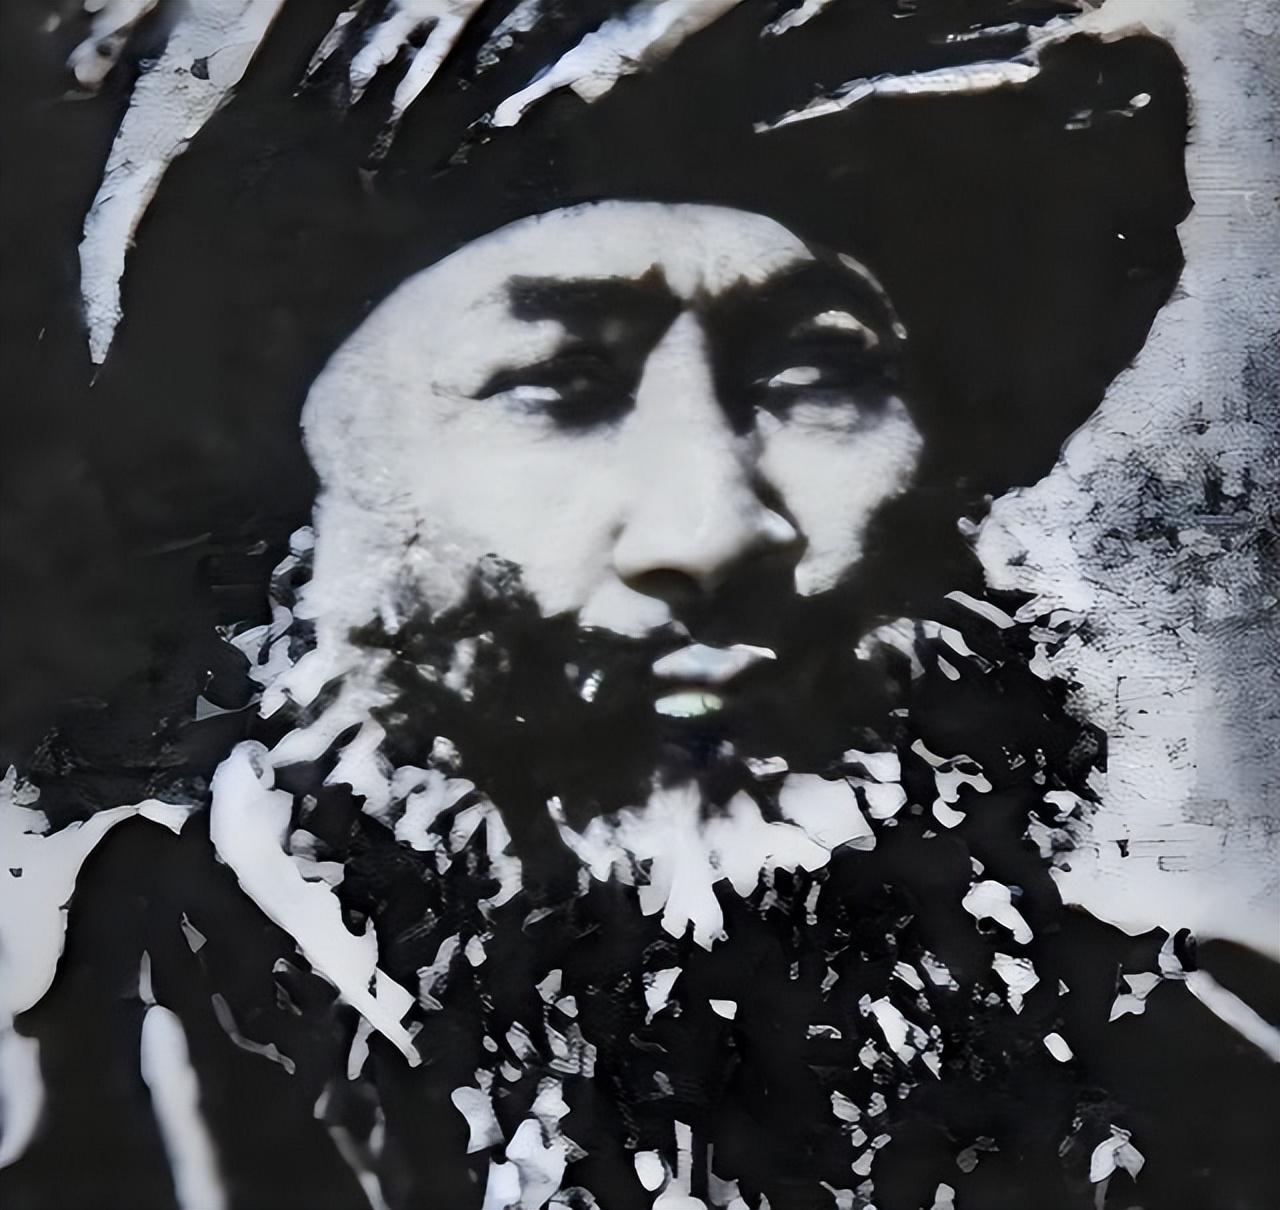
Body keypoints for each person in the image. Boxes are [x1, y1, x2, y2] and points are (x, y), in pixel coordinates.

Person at [3, 4, 1276, 1210]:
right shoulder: (65, 1101)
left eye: (813, 373)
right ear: (304, 508)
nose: (712, 529)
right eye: (556, 384)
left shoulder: (1222, 1070)